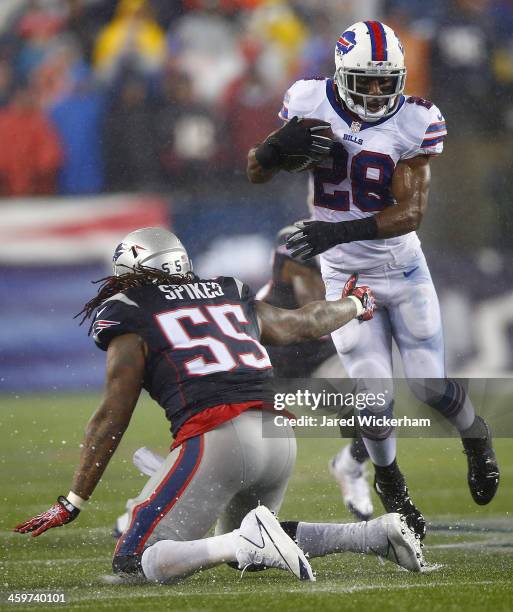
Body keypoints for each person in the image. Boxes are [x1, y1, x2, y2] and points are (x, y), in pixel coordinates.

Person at [14, 227, 426, 583]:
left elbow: (111, 416)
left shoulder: (130, 311)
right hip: (277, 435)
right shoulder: (229, 292)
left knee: (134, 559)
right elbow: (302, 323)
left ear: (133, 274)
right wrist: (353, 305)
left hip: (218, 439)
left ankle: (244, 540)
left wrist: (73, 500)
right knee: (247, 541)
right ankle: (373, 536)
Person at [247, 20, 500, 539]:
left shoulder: (416, 120)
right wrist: (272, 153)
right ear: (342, 76)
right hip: (344, 276)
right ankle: (391, 485)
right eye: (370, 80)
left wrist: (331, 233)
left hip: (402, 268)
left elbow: (409, 214)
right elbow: (256, 170)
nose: (381, 91)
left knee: (429, 385)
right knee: (372, 396)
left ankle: (476, 434)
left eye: (390, 80)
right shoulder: (307, 100)